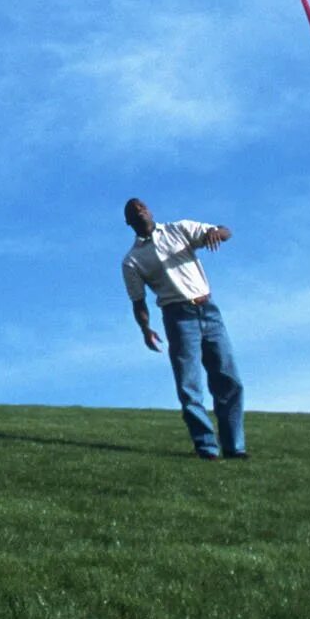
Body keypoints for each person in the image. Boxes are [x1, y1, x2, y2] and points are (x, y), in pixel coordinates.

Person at [121, 197, 246, 461]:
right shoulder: (132, 260)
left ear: (150, 210)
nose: (140, 210)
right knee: (189, 385)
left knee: (228, 378)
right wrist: (146, 329)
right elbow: (138, 301)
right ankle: (207, 449)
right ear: (128, 221)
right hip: (177, 317)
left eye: (142, 206)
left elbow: (226, 231)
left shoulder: (179, 229)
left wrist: (215, 233)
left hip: (208, 309)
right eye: (134, 210)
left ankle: (235, 448)